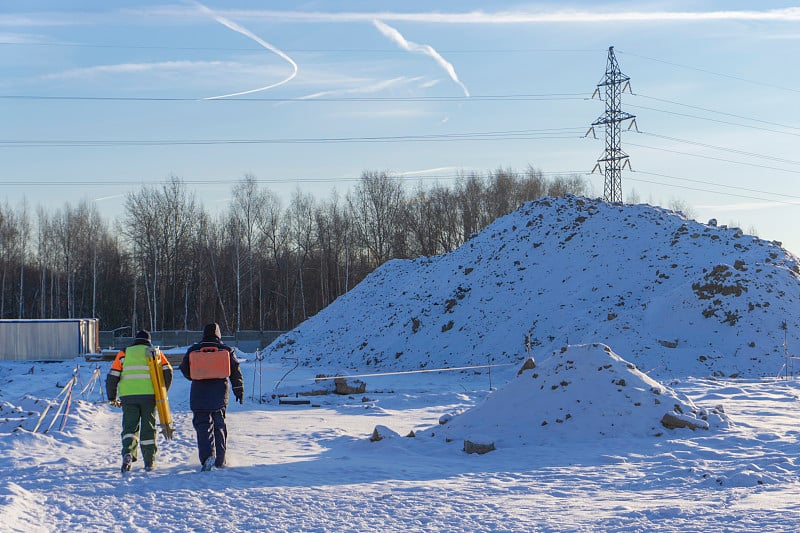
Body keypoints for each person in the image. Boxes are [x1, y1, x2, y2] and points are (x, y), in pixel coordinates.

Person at [106, 329, 173, 473]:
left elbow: (112, 376)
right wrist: (162, 391)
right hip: (150, 397)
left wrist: (112, 397)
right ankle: (149, 462)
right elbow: (168, 371)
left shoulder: (124, 353)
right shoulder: (155, 352)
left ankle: (128, 454)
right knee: (148, 428)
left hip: (128, 397)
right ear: (149, 341)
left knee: (130, 428)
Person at [180, 322, 244, 471]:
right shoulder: (226, 350)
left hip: (199, 395)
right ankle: (220, 460)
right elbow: (236, 373)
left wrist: (195, 376)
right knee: (219, 426)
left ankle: (208, 457)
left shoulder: (194, 350)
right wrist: (238, 391)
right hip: (219, 395)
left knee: (203, 427)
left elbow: (184, 368)